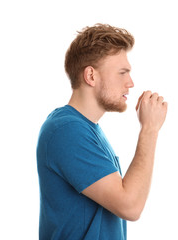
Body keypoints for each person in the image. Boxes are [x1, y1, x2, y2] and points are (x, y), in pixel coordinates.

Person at [36, 23, 167, 240]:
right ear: (91, 76)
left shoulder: (87, 130)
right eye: (122, 73)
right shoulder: (66, 131)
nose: (130, 83)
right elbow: (130, 206)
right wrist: (150, 129)